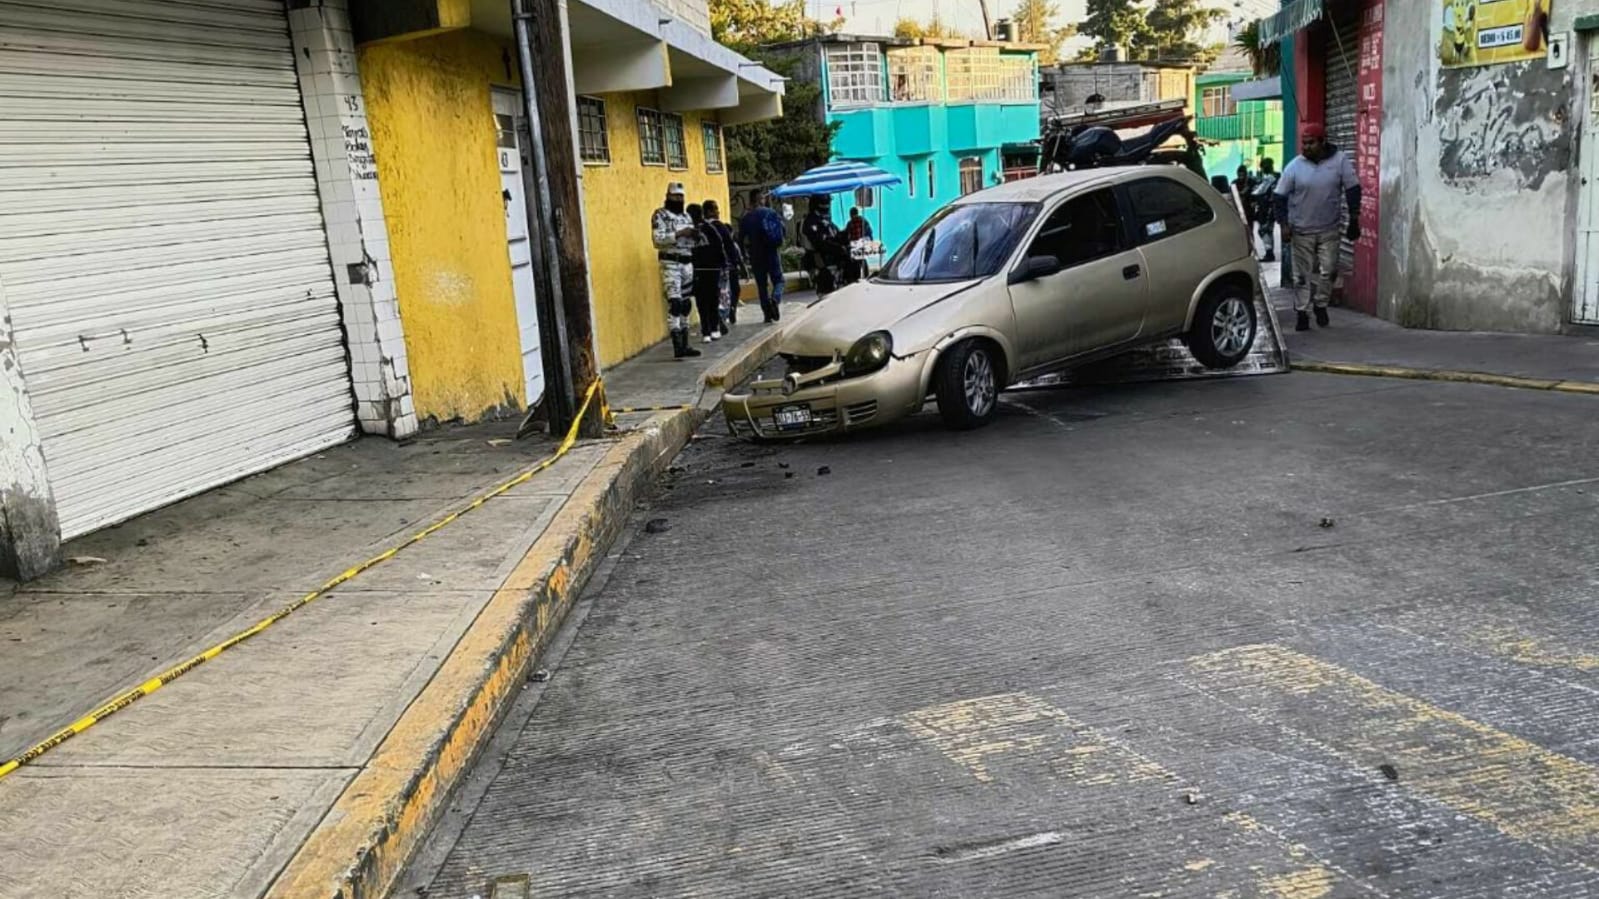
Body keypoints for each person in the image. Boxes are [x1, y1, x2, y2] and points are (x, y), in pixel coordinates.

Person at [1274, 123, 1360, 332]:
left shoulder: (1339, 161)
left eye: (1311, 143)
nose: (1306, 147)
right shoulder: (1294, 166)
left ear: (1322, 142)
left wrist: (1354, 219)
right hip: (1301, 231)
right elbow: (1279, 197)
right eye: (1304, 143)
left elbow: (1353, 189)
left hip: (1329, 229)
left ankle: (1321, 304)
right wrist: (1284, 225)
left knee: (1329, 270)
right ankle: (1302, 312)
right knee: (1301, 275)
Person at [651, 182, 701, 358]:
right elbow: (657, 240)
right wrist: (679, 234)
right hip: (671, 262)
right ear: (668, 196)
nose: (679, 199)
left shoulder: (687, 216)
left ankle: (686, 343)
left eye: (681, 196)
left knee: (686, 304)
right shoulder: (660, 215)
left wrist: (695, 235)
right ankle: (677, 344)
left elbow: (694, 242)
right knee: (676, 303)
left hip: (687, 262)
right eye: (675, 196)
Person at [739, 189, 787, 323]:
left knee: (761, 285)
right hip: (772, 252)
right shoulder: (770, 212)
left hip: (756, 255)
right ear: (761, 199)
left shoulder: (746, 218)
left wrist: (743, 256)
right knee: (779, 280)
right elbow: (783, 230)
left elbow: (741, 239)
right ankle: (775, 299)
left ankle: (767, 314)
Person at [686, 203, 727, 343]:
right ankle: (714, 329)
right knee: (712, 299)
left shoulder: (690, 231)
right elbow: (719, 245)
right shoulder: (709, 228)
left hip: (698, 270)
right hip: (711, 269)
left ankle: (707, 331)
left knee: (702, 301)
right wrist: (722, 264)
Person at [705, 199, 743, 330]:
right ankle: (721, 316)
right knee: (723, 293)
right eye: (715, 209)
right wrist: (734, 261)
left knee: (710, 294)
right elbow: (729, 245)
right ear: (709, 211)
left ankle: (713, 319)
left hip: (705, 267)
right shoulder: (719, 226)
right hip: (721, 265)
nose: (718, 212)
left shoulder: (701, 227)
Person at [801, 194, 847, 295]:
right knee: (826, 292)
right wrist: (838, 248)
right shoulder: (811, 221)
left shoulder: (825, 219)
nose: (828, 205)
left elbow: (835, 234)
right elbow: (819, 243)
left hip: (832, 260)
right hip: (820, 261)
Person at [1251, 158, 1279, 262]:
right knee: (1267, 230)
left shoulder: (1269, 178)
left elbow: (1258, 191)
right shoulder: (1276, 177)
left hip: (1267, 207)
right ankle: (1269, 252)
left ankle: (1269, 253)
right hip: (1269, 207)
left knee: (1263, 230)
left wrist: (1253, 190)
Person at [844, 206, 873, 281]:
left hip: (854, 245)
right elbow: (869, 232)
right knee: (863, 259)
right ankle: (866, 276)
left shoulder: (850, 223)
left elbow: (846, 234)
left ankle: (857, 278)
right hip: (863, 243)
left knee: (856, 261)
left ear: (850, 214)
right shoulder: (864, 221)